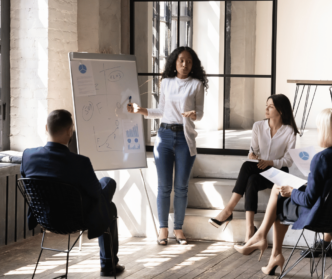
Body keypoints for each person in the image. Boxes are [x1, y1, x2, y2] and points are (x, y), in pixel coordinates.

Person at [234, 108, 332, 276]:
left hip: (320, 217)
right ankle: (267, 247)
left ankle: (265, 243)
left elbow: (309, 200)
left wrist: (291, 192)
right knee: (280, 194)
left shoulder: (321, 158)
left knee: (279, 195)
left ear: (325, 131)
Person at [21, 110, 124, 277]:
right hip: (74, 220)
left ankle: (109, 263)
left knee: (105, 194)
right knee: (109, 195)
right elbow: (96, 194)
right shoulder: (80, 162)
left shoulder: (28, 156)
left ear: (46, 128)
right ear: (70, 131)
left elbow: (29, 186)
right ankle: (108, 264)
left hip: (45, 218)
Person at [127, 46, 207, 246]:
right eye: (181, 60)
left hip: (184, 138)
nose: (184, 65)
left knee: (181, 188)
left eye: (189, 61)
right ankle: (163, 229)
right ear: (174, 62)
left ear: (193, 64)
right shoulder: (167, 82)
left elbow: (201, 113)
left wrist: (193, 115)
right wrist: (141, 110)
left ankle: (178, 229)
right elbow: (161, 110)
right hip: (164, 135)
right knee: (164, 187)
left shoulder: (196, 85)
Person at [208, 94, 299, 242]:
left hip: (278, 173)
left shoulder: (289, 131)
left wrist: (270, 162)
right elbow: (253, 150)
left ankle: (228, 210)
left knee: (246, 168)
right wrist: (252, 155)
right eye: (266, 105)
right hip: (260, 168)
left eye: (271, 106)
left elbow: (288, 161)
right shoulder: (258, 126)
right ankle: (249, 229)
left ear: (281, 111)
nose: (266, 109)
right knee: (251, 178)